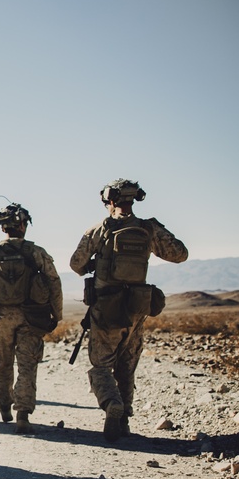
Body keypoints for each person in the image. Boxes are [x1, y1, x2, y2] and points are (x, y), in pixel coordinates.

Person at [69, 179, 187, 441]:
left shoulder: (99, 230)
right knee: (127, 364)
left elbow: (76, 263)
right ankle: (123, 421)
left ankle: (112, 403)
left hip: (105, 307)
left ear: (110, 200)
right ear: (134, 199)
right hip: (136, 307)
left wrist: (93, 265)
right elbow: (180, 254)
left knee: (101, 364)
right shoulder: (147, 228)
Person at [0, 202, 62, 435]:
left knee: (3, 362)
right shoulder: (36, 252)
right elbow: (54, 283)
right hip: (31, 315)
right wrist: (56, 314)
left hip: (2, 316)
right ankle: (23, 412)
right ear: (23, 225)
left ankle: (4, 404)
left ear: (3, 228)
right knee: (27, 364)